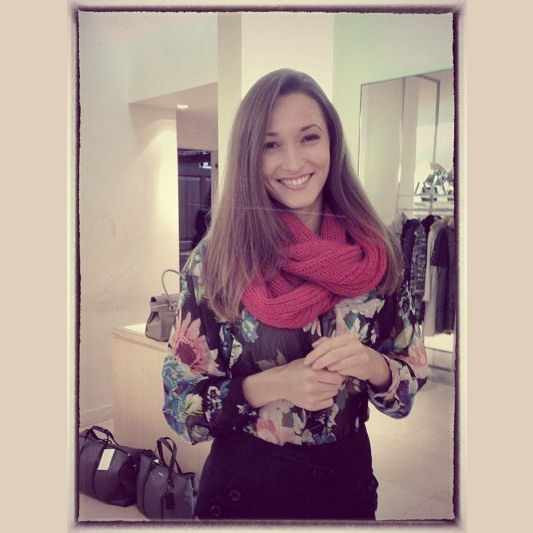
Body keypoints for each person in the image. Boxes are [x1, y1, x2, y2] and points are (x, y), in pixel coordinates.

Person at [162, 68, 429, 521]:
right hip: (245, 487)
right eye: (271, 145)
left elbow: (407, 389)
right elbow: (177, 404)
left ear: (332, 142)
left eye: (309, 137)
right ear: (249, 155)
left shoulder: (375, 253)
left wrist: (372, 365)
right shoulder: (219, 260)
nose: (292, 161)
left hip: (346, 484)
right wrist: (271, 385)